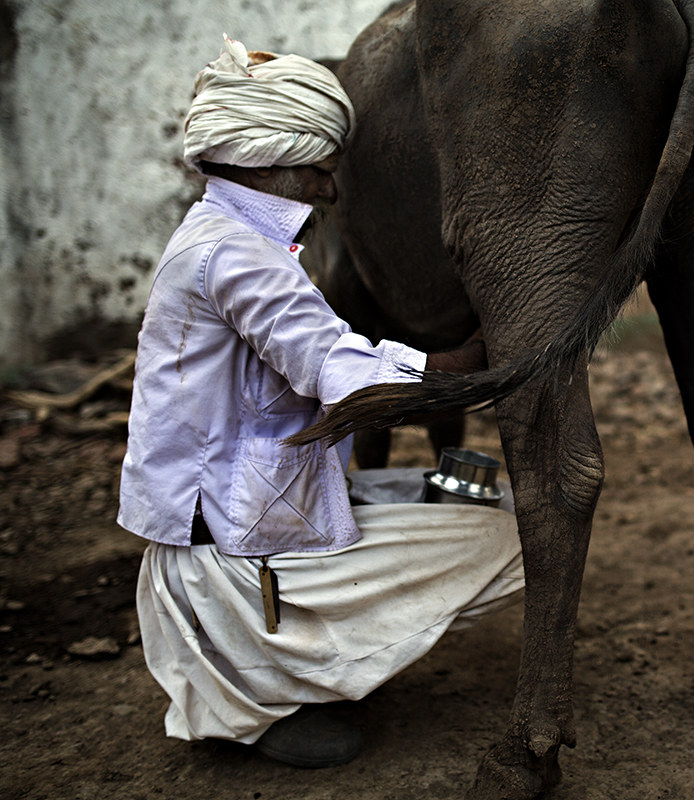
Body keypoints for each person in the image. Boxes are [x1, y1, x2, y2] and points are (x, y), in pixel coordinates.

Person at [118, 35, 524, 769]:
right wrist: (481, 352)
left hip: (236, 515)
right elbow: (345, 373)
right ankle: (266, 687)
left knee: (469, 499)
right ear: (270, 162)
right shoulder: (235, 255)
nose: (331, 193)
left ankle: (291, 663)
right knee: (513, 539)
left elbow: (323, 353)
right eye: (321, 171)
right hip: (229, 557)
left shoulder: (224, 237)